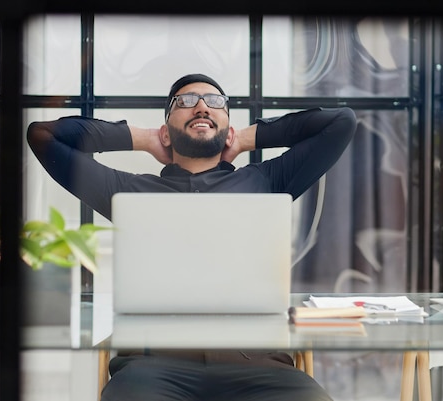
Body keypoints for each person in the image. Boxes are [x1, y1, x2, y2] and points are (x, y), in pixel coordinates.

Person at [27, 73, 357, 401]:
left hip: (259, 367)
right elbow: (42, 136)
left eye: (215, 103)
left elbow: (341, 122)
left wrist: (246, 138)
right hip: (153, 369)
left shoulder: (265, 181)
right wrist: (141, 138)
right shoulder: (128, 192)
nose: (201, 107)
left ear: (227, 125)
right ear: (167, 128)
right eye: (184, 102)